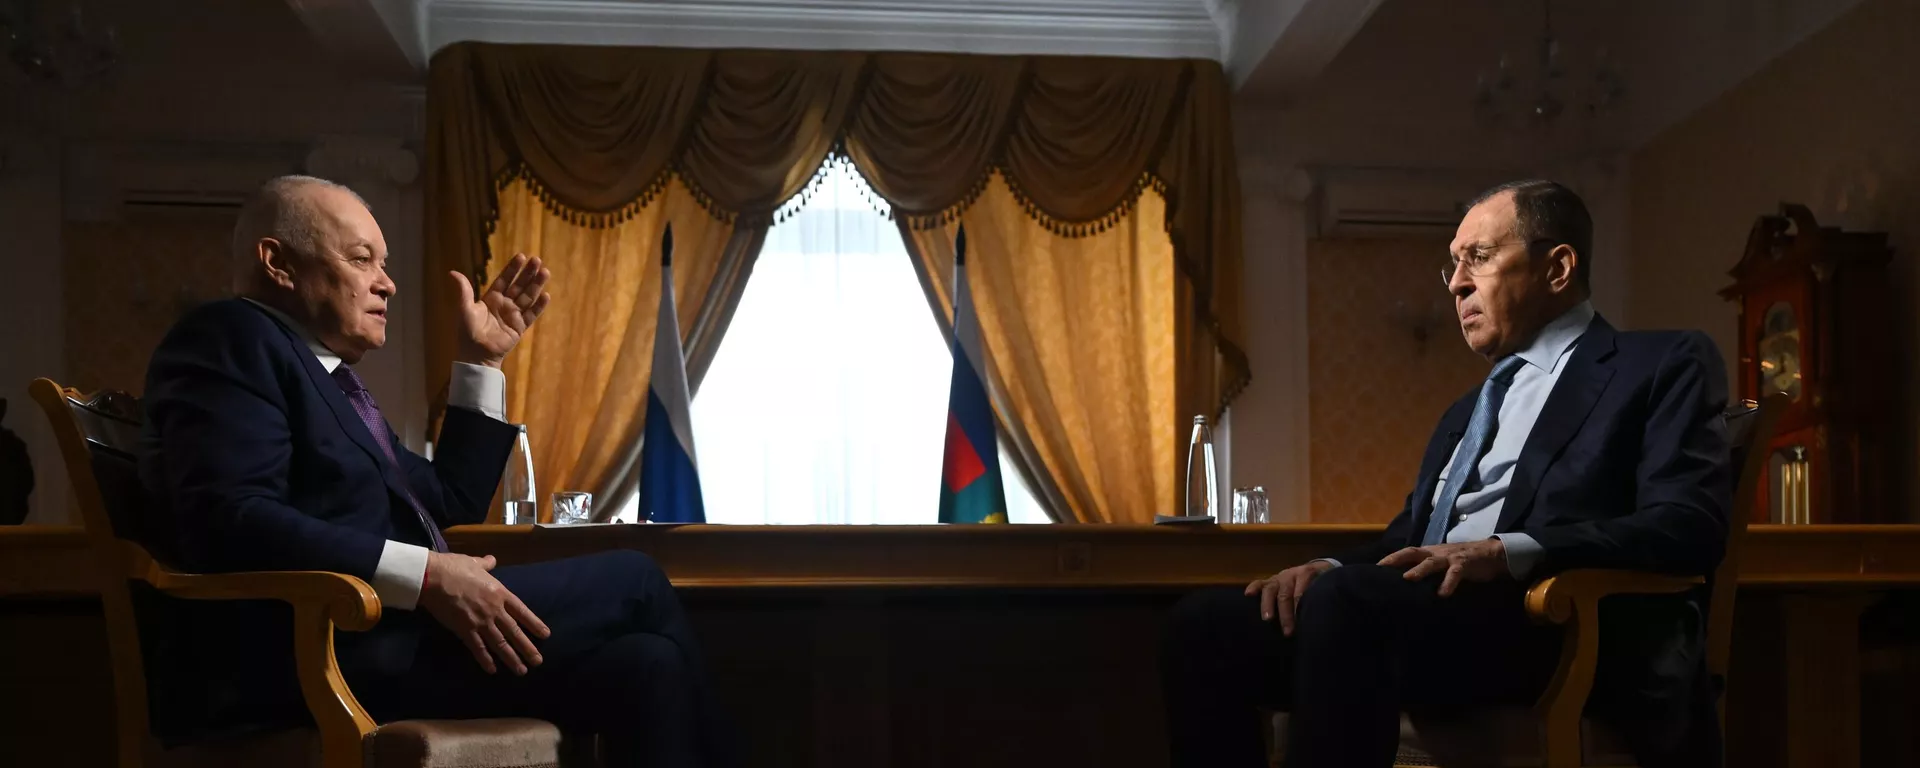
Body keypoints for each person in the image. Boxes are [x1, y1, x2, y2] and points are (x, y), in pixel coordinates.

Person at [139, 175, 734, 767]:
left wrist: (481, 361)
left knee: (647, 664)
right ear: (278, 264)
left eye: (384, 263)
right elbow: (230, 518)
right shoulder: (230, 337)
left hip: (380, 644)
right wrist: (428, 577)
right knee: (637, 579)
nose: (387, 283)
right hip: (310, 658)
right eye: (361, 259)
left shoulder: (329, 382)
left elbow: (448, 499)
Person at [1161, 180, 1730, 768]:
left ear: (1558, 268)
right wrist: (1326, 566)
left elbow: (1688, 523)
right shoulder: (1467, 409)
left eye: (1478, 258)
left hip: (1553, 627)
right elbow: (1412, 536)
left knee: (1349, 605)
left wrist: (1504, 552)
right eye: (1454, 265)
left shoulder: (1660, 363)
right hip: (1423, 620)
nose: (1457, 283)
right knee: (1203, 627)